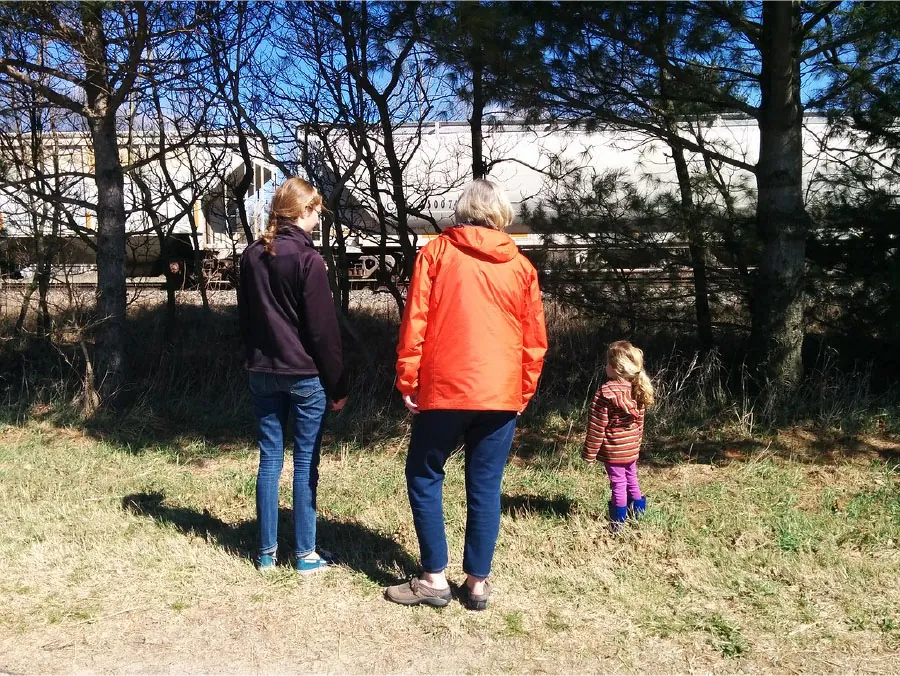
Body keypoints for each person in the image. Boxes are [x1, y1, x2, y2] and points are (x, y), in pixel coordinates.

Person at [385, 179, 548, 610]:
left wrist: (408, 379)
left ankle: (434, 578)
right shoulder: (521, 266)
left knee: (424, 474)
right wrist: (522, 391)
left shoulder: (436, 252)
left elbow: (415, 321)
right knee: (485, 486)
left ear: (462, 211)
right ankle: (477, 585)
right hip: (500, 393)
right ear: (501, 215)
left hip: (444, 388)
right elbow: (534, 341)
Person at [238, 177, 348, 574]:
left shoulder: (252, 255)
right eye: (316, 210)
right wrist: (338, 385)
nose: (319, 217)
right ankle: (305, 555)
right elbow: (323, 332)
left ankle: (266, 554)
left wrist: (251, 359)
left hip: (262, 371)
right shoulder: (308, 260)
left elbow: (245, 319)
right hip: (304, 375)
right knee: (304, 463)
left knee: (269, 460)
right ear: (302, 211)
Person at [581, 340, 655, 532]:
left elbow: (597, 427)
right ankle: (638, 516)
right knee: (631, 479)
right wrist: (636, 445)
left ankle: (617, 524)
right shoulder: (638, 389)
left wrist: (589, 454)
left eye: (608, 363)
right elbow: (640, 423)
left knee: (618, 484)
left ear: (616, 368)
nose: (605, 366)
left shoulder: (604, 394)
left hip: (614, 450)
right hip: (631, 449)